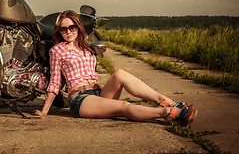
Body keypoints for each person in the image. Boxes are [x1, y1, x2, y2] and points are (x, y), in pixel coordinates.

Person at [32, 10, 197, 127]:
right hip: (81, 99)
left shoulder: (87, 49)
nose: (68, 31)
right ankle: (169, 113)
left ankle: (167, 102)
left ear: (78, 27)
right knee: (123, 107)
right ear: (59, 31)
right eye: (63, 29)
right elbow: (54, 82)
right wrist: (45, 111)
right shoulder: (57, 50)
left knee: (119, 74)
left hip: (98, 92)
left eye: (72, 27)